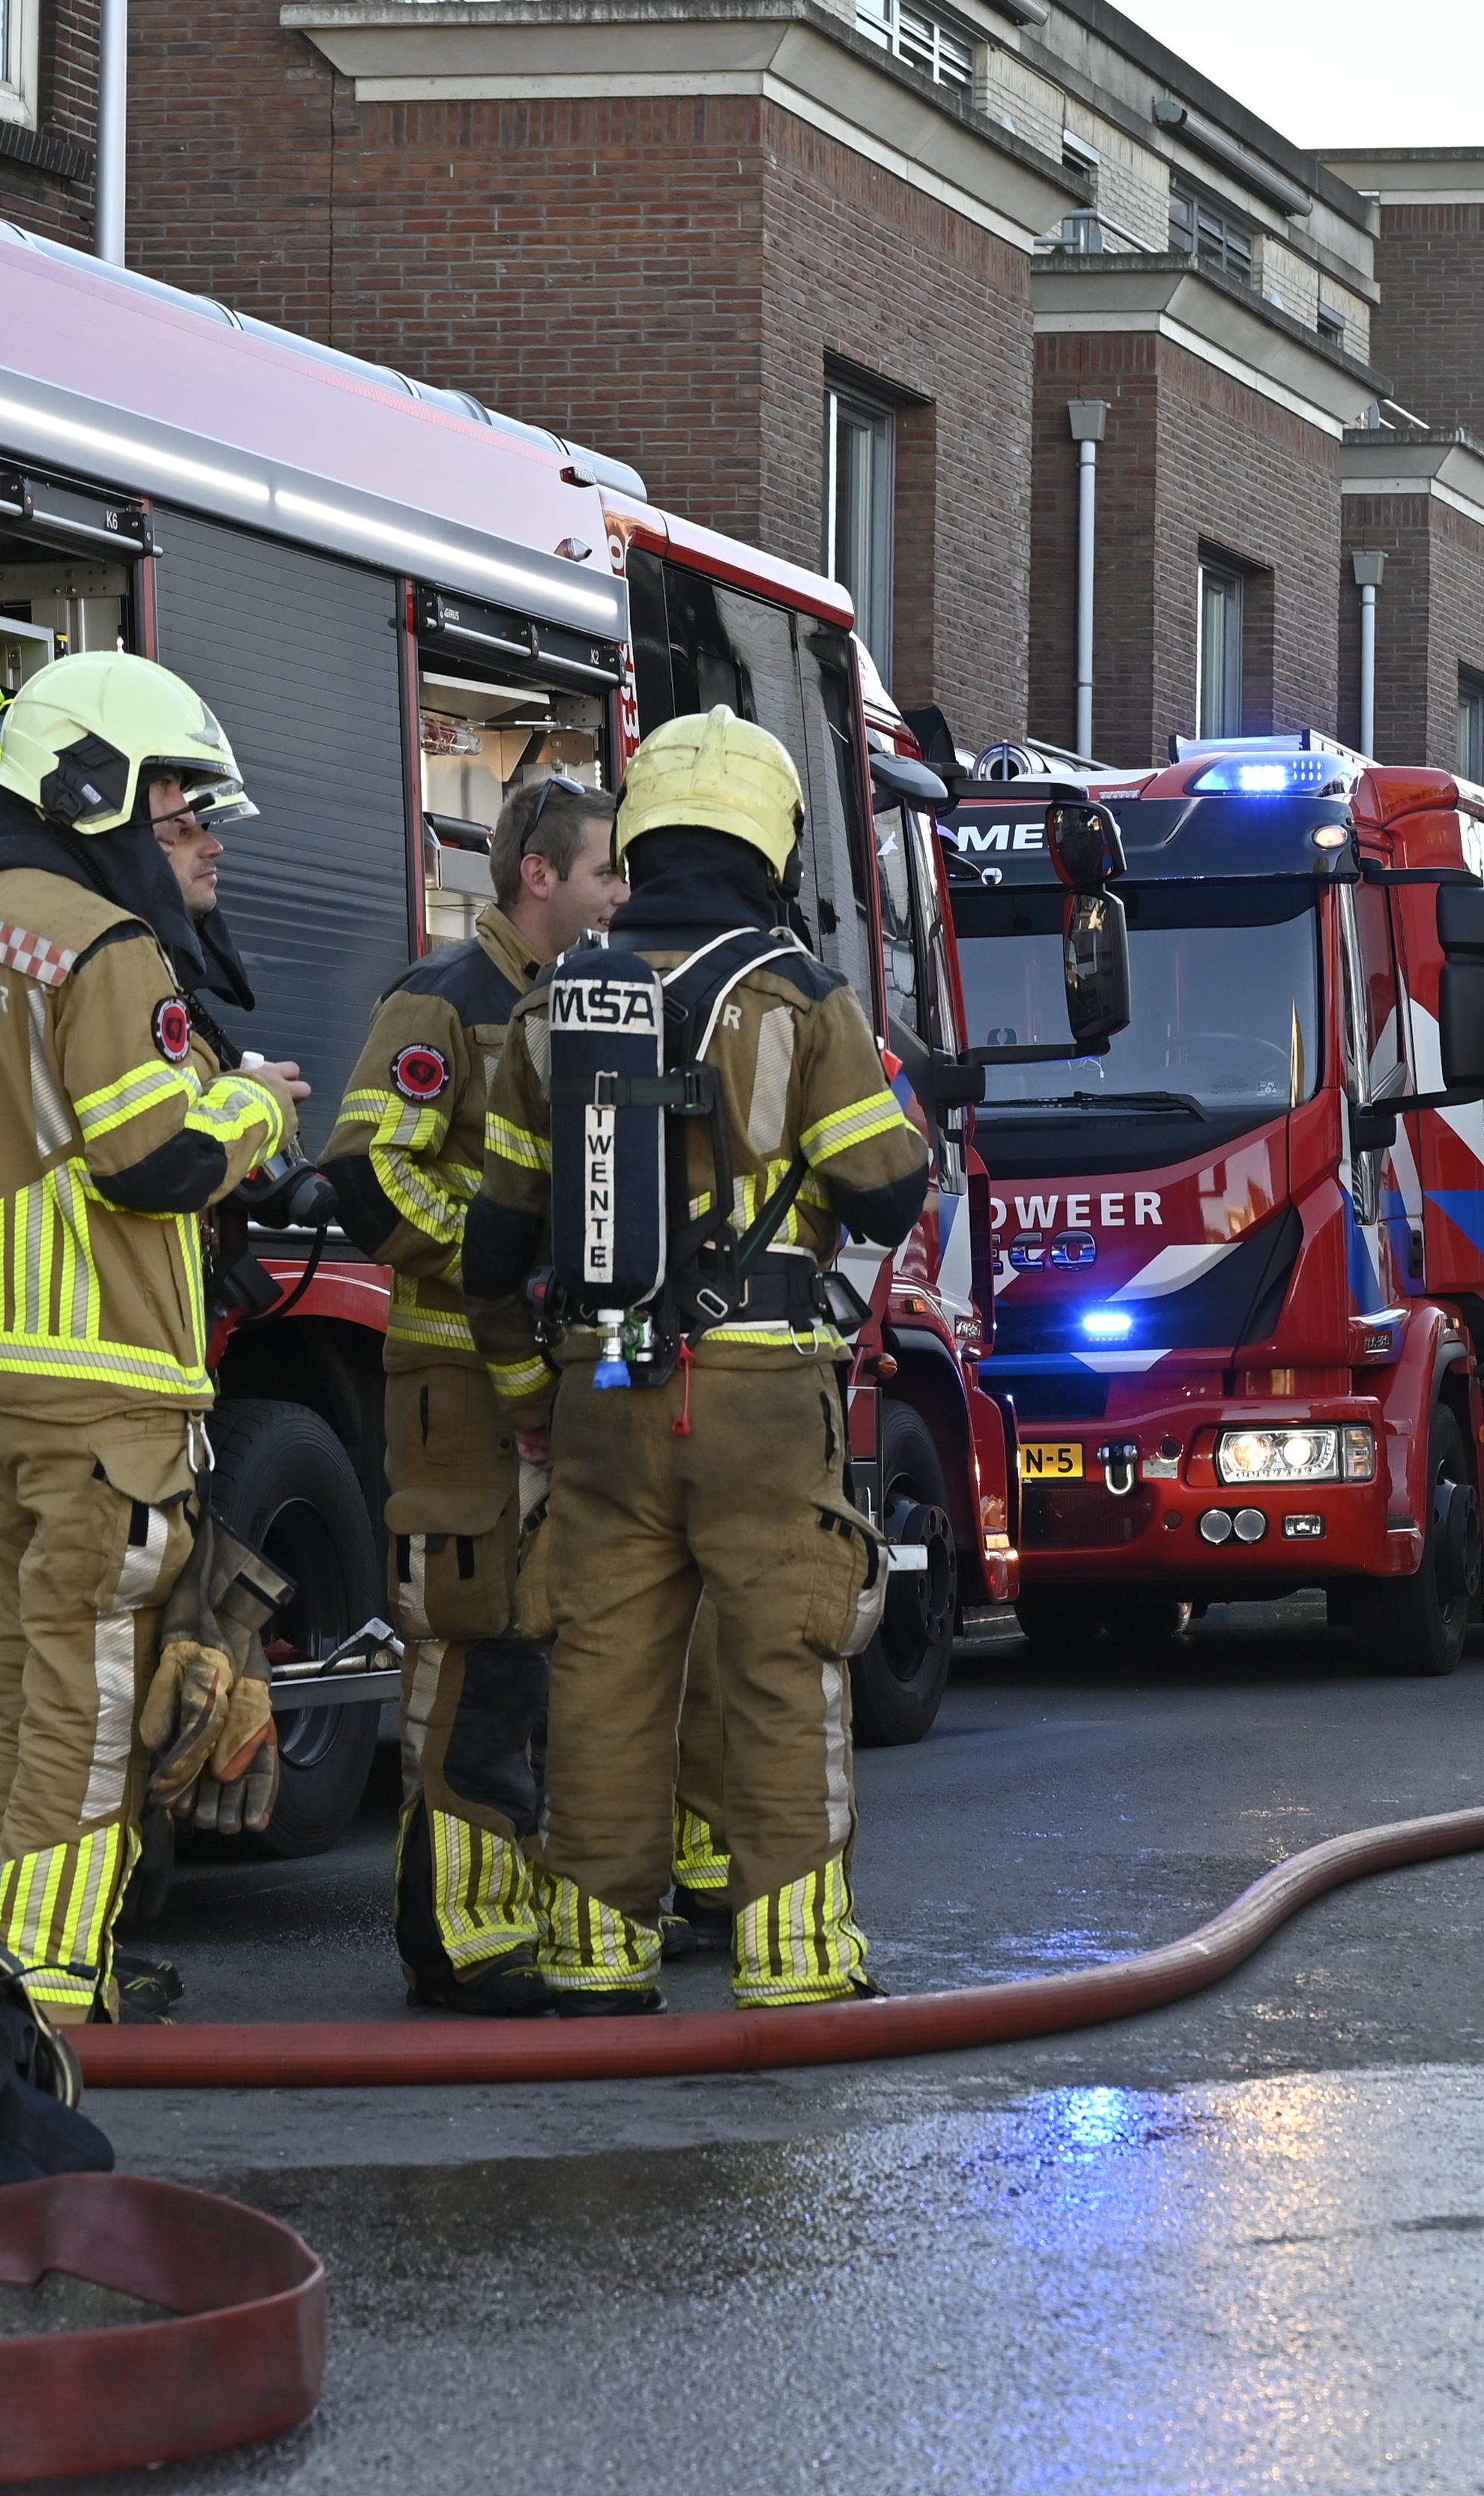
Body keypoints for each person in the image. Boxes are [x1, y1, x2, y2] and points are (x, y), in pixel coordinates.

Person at [0, 653, 301, 2026]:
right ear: (92, 785)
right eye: (172, 795)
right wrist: (260, 1114)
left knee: (1, 1681)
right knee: (91, 1698)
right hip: (111, 1407)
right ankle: (40, 1984)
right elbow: (151, 1158)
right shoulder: (107, 951)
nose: (187, 824)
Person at [460, 709, 931, 2013]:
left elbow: (496, 1241)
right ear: (770, 840)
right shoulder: (802, 999)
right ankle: (793, 1958)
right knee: (781, 1663)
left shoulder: (559, 1002)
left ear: (648, 830)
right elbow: (889, 1196)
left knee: (605, 1668)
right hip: (765, 1389)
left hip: (606, 1380)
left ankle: (594, 1955)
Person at [326, 772, 623, 2013]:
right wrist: (497, 1255)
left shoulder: (591, 1006)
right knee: (471, 1652)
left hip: (547, 1383)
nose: (622, 893)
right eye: (606, 869)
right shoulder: (443, 1001)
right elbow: (366, 1174)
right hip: (455, 1383)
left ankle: (520, 1912)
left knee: (542, 1655)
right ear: (540, 874)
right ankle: (458, 1935)